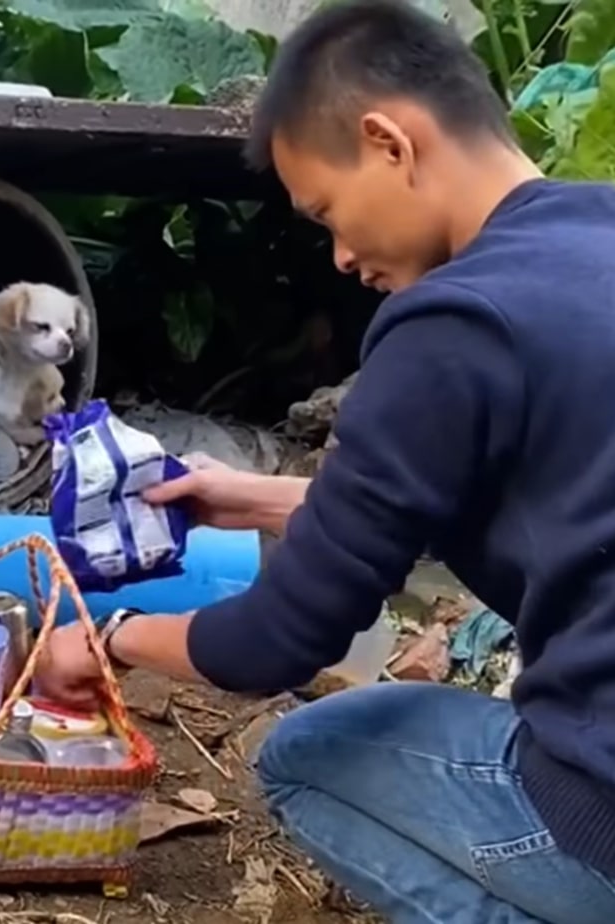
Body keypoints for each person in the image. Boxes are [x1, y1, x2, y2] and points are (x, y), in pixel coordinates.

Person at [31, 2, 615, 921]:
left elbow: (276, 644)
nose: (341, 256)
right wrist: (254, 496)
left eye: (328, 212)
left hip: (604, 819)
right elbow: (503, 497)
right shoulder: (593, 242)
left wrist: (110, 637)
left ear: (389, 142)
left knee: (306, 755)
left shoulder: (454, 323)